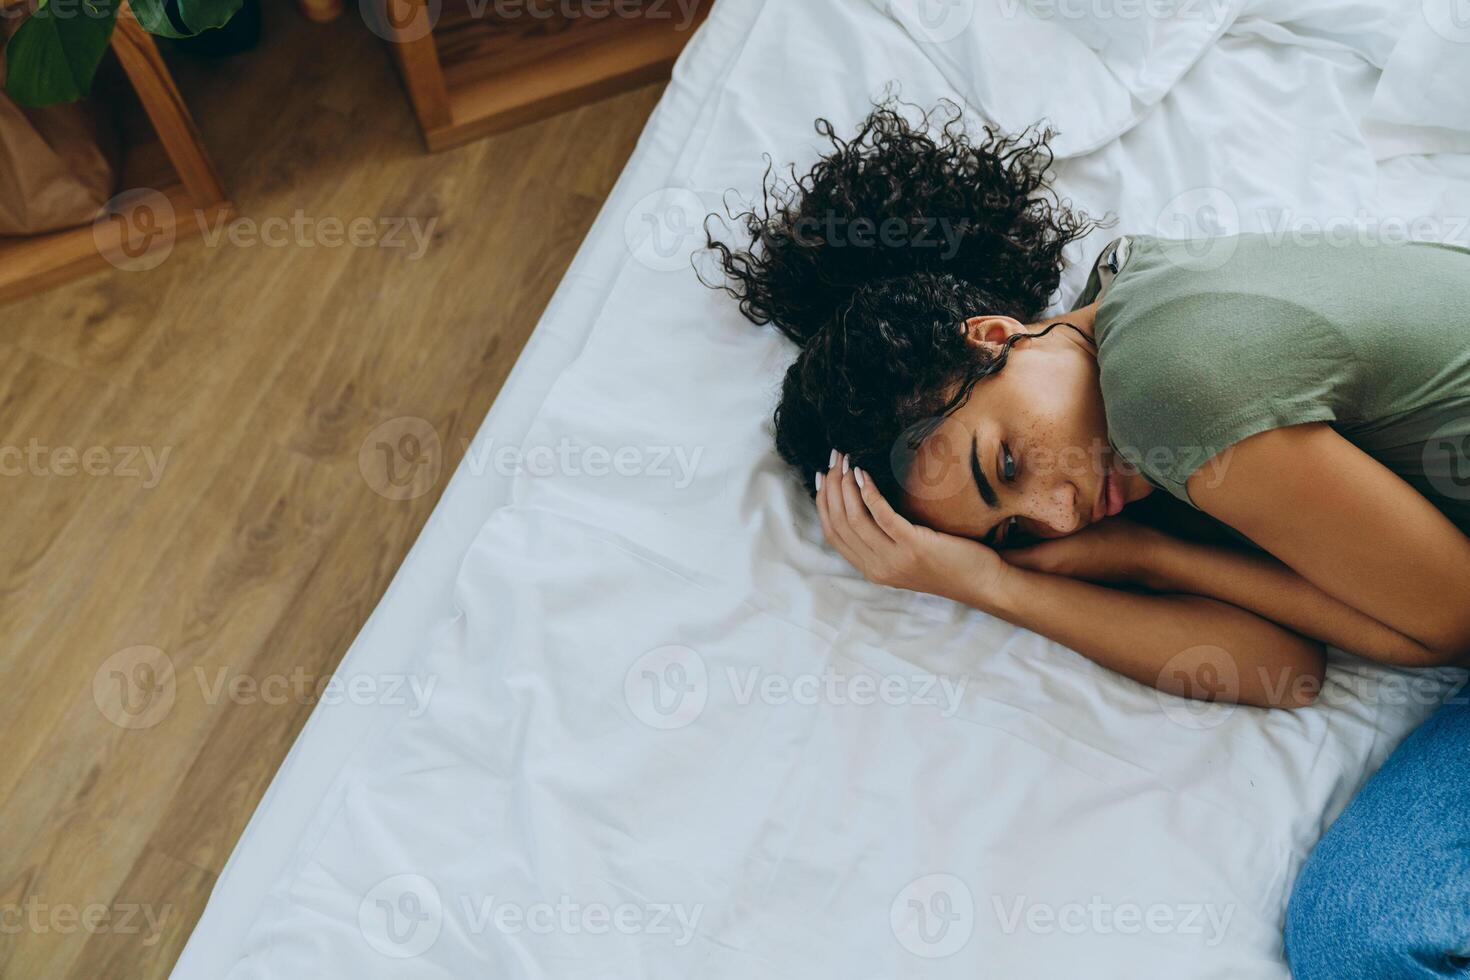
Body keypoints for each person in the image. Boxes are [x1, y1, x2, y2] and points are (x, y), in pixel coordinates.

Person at [702, 98, 1470, 978]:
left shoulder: (1168, 383)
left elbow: (1450, 622)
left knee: (1366, 944)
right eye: (1015, 528)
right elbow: (1280, 667)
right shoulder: (1118, 356)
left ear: (992, 334)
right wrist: (996, 584)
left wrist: (1146, 557)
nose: (1061, 515)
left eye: (1007, 464)